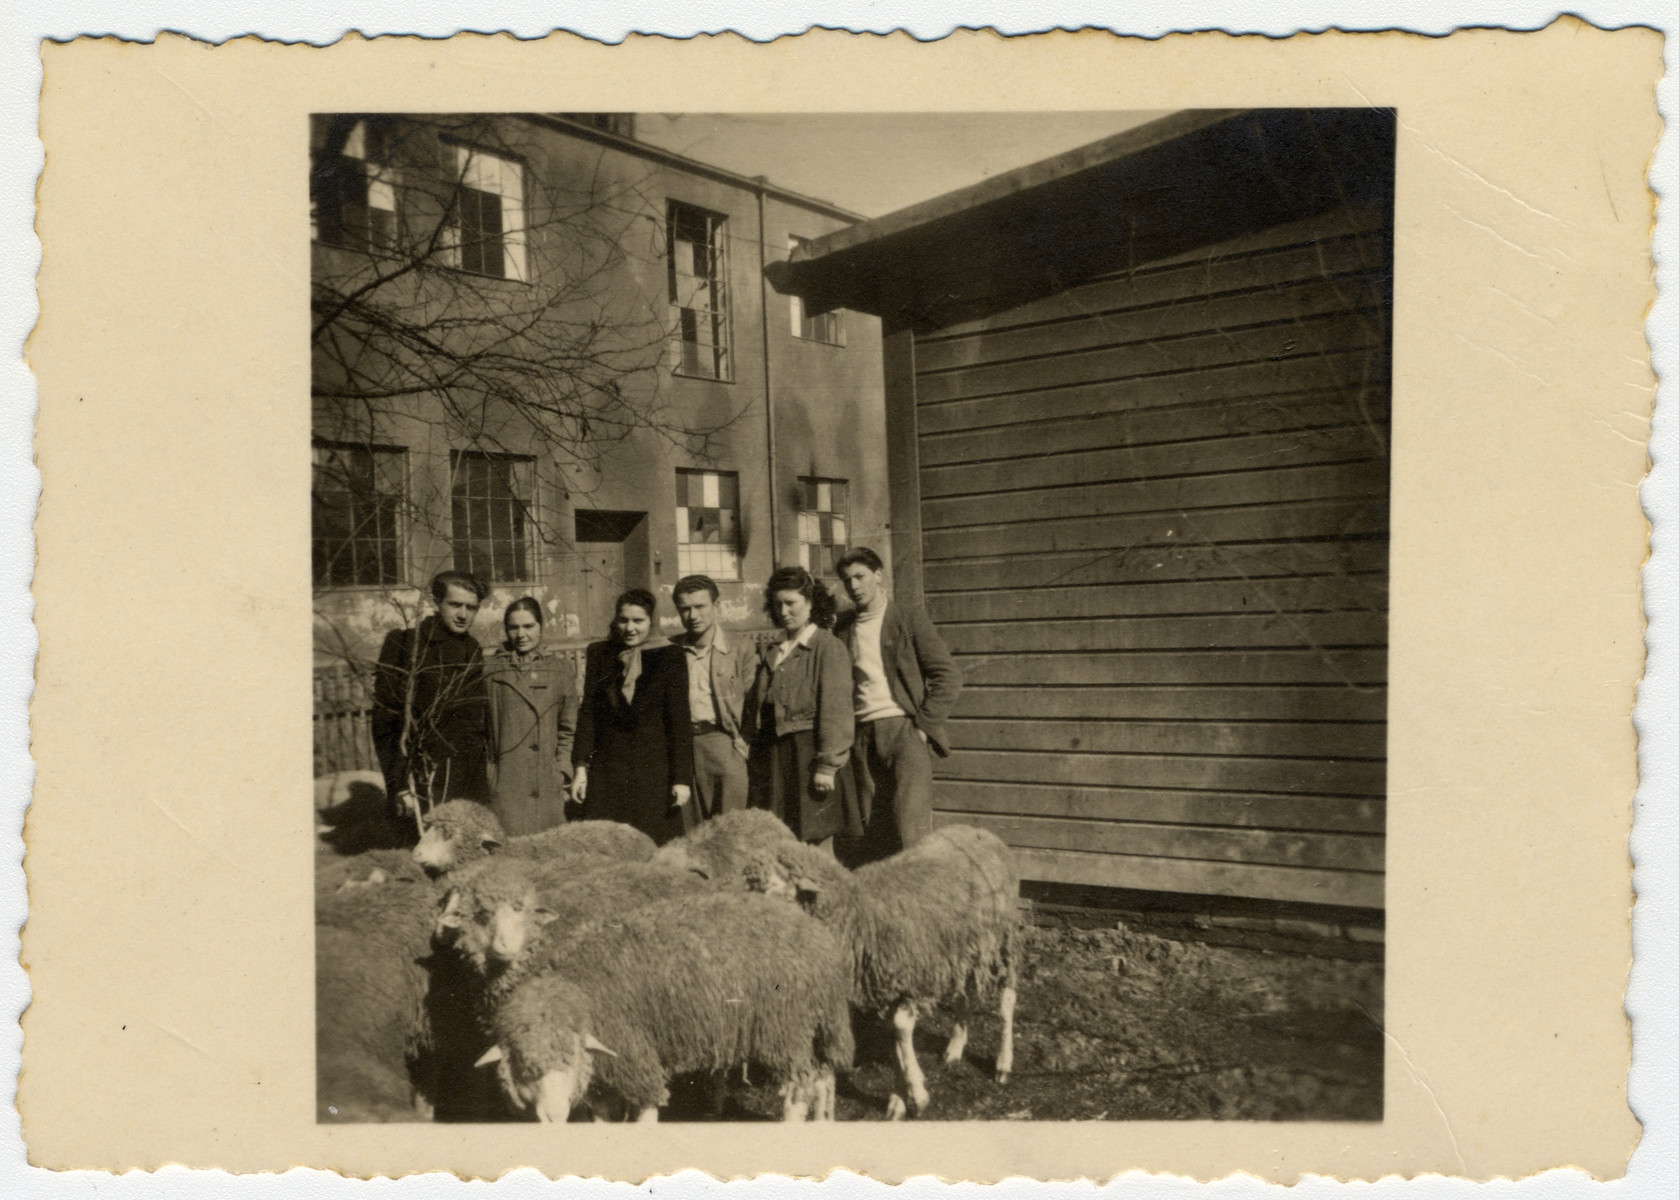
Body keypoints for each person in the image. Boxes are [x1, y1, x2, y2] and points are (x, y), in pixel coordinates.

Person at [834, 547, 963, 859]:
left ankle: (921, 903)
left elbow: (947, 675)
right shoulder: (842, 628)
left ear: (879, 576)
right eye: (847, 580)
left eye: (860, 577)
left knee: (910, 830)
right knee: (870, 829)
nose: (854, 586)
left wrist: (922, 728)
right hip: (862, 737)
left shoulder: (907, 617)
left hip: (904, 731)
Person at [570, 589, 694, 846]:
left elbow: (679, 722)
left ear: (651, 621)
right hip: (608, 773)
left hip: (653, 774)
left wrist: (681, 779)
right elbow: (589, 714)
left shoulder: (669, 656)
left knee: (654, 849)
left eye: (638, 621)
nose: (630, 628)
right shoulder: (600, 654)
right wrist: (581, 767)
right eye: (624, 620)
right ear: (615, 621)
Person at [743, 566, 856, 849]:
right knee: (778, 838)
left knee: (814, 842)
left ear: (810, 602)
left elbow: (836, 710)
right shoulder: (775, 649)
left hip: (808, 754)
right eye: (778, 604)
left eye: (791, 603)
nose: (784, 611)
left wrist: (827, 766)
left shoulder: (827, 647)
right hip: (775, 754)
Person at [370, 570, 492, 822]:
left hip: (468, 776)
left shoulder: (472, 651)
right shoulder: (405, 644)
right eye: (455, 604)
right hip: (423, 778)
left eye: (471, 607)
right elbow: (386, 724)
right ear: (436, 602)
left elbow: (476, 721)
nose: (463, 614)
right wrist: (400, 784)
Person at [483, 597, 579, 838]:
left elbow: (568, 727)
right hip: (507, 782)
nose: (521, 634)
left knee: (548, 854)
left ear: (541, 626)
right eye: (513, 627)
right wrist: (491, 774)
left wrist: (562, 771)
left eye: (528, 626)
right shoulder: (490, 669)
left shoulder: (560, 669)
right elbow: (481, 729)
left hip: (547, 782)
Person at [672, 575, 756, 827]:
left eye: (700, 606)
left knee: (729, 828)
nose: (692, 615)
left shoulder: (740, 647)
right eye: (685, 608)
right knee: (690, 830)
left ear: (716, 607)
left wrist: (744, 741)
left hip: (725, 743)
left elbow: (754, 701)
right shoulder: (670, 650)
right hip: (685, 747)